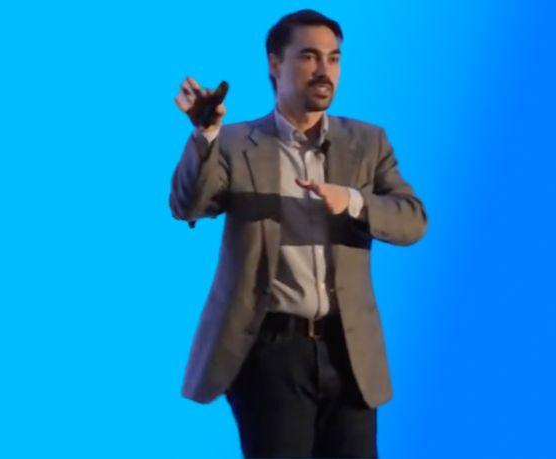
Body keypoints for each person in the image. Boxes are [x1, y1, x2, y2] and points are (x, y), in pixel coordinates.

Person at [169, 9, 428, 458]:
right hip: (271, 352)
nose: (324, 70)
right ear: (275, 63)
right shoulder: (236, 143)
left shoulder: (368, 142)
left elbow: (412, 220)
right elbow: (187, 205)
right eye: (309, 57)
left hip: (350, 351)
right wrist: (205, 135)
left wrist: (354, 201)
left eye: (333, 58)